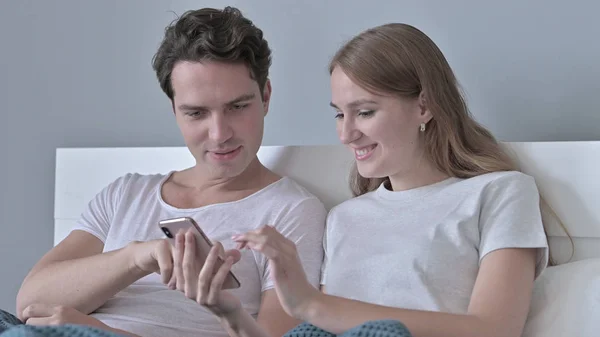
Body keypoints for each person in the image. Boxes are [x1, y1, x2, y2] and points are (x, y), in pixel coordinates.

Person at [193, 23, 551, 337]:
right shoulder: (344, 218)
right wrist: (232, 313)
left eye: (364, 112)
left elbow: (494, 330)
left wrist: (314, 305)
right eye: (339, 115)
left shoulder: (499, 192)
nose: (346, 134)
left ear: (424, 107)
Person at [5, 6, 326, 337]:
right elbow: (30, 301)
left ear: (266, 97)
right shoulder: (125, 194)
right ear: (175, 111)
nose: (219, 133)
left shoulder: (291, 213)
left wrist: (101, 333)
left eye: (237, 107)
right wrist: (138, 257)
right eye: (196, 113)